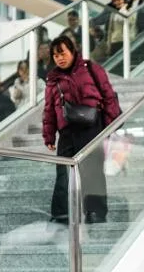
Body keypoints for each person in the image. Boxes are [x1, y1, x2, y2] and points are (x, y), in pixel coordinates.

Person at [43, 35, 121, 224]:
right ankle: (61, 214)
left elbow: (108, 96)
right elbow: (49, 109)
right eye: (55, 55)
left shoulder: (91, 69)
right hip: (67, 131)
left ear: (72, 51)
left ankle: (96, 212)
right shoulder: (53, 80)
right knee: (63, 173)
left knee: (92, 170)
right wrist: (49, 135)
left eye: (62, 53)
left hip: (91, 127)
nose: (59, 58)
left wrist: (110, 125)